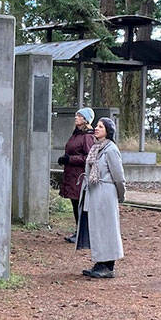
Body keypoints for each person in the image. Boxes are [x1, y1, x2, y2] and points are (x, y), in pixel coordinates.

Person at [76, 115, 126, 279]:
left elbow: (118, 176)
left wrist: (120, 195)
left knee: (108, 229)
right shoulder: (96, 148)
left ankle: (108, 265)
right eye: (97, 125)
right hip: (95, 193)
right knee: (98, 228)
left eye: (101, 127)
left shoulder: (111, 149)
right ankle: (100, 262)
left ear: (108, 131)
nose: (96, 128)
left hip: (105, 193)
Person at [57, 107, 95, 243]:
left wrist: (70, 159)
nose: (76, 118)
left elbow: (89, 157)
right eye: (76, 115)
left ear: (85, 120)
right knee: (75, 204)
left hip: (80, 177)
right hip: (72, 175)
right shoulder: (76, 135)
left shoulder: (87, 137)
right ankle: (80, 231)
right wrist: (65, 159)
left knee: (81, 205)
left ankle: (85, 234)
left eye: (79, 116)